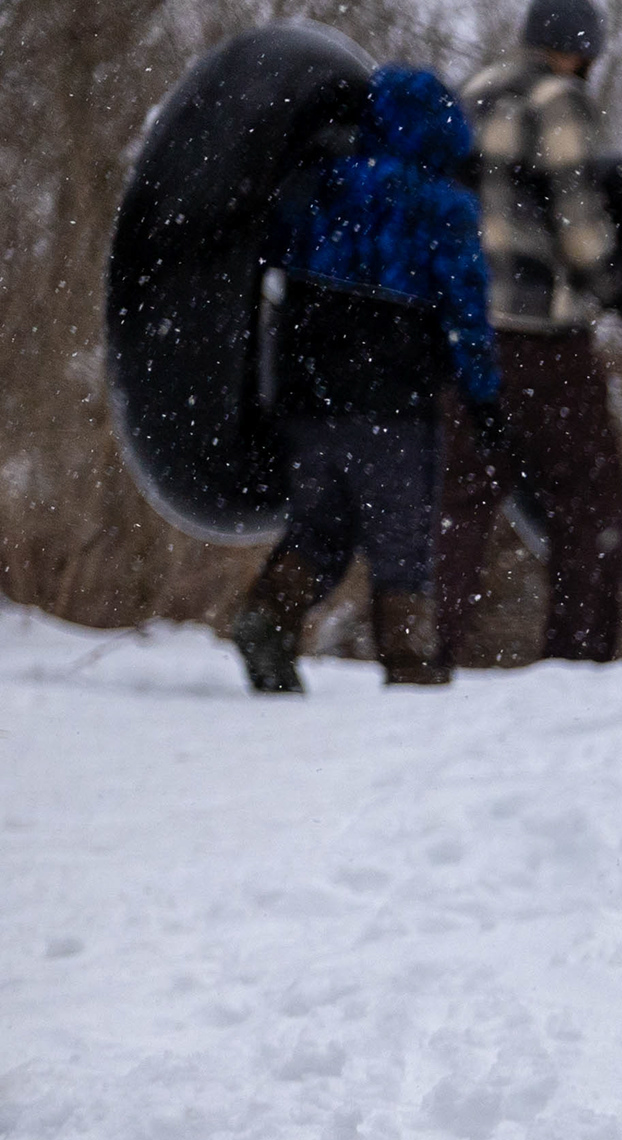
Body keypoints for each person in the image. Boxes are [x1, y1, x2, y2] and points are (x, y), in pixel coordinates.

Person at [227, 65, 505, 695]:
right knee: (403, 536)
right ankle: (409, 664)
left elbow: (262, 256)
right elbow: (466, 311)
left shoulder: (316, 184)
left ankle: (268, 615)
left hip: (306, 391)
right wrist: (483, 395)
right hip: (394, 401)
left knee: (320, 526)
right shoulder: (442, 207)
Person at [433, 0, 622, 669]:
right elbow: (579, 224)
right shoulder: (558, 100)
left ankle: (427, 649)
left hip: (468, 331)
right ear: (581, 48)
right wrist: (619, 289)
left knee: (461, 499)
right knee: (588, 497)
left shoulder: (472, 92)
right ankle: (579, 659)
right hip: (543, 338)